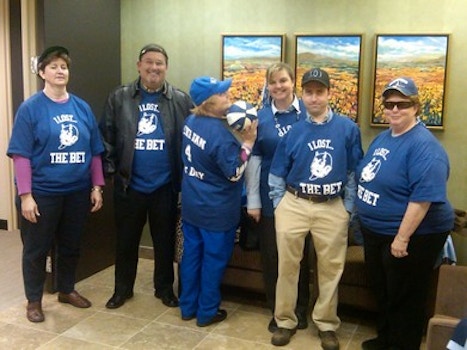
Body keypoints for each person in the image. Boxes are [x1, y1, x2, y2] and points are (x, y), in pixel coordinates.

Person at [7, 46, 105, 323]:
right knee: (36, 250)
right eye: (53, 67)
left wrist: (96, 186)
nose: (60, 71)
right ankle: (34, 301)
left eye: (64, 66)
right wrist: (25, 195)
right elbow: (20, 155)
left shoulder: (81, 107)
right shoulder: (31, 109)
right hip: (43, 194)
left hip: (76, 192)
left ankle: (66, 289)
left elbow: (94, 151)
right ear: (42, 72)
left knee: (71, 246)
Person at [357, 77, 454, 350]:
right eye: (389, 104)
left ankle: (402, 345)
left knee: (405, 297)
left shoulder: (425, 147)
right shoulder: (384, 138)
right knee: (384, 291)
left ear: (416, 107)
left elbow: (422, 199)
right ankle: (386, 339)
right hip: (377, 232)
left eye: (402, 104)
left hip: (413, 235)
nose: (394, 110)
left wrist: (402, 238)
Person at [268, 68, 363, 349]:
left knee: (331, 268)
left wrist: (347, 208)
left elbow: (355, 172)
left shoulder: (348, 129)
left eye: (319, 92)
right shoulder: (295, 130)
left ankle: (326, 323)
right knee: (287, 266)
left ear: (329, 93)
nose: (314, 98)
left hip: (331, 205)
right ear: (303, 95)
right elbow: (277, 172)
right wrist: (279, 204)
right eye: (309, 92)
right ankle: (285, 321)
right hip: (294, 203)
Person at [99, 44, 193, 309]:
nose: (154, 68)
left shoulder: (180, 100)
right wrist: (112, 175)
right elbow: (105, 138)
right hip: (130, 186)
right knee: (126, 242)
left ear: (166, 67)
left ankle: (164, 289)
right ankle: (122, 290)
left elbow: (193, 139)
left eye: (160, 63)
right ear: (139, 66)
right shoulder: (119, 98)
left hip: (165, 186)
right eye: (149, 62)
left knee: (165, 243)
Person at [179, 76, 257, 327]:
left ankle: (187, 306)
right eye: (223, 95)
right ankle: (207, 312)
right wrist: (247, 143)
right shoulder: (220, 137)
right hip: (216, 211)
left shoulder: (191, 121)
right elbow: (234, 173)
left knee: (191, 257)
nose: (229, 97)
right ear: (209, 103)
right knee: (213, 261)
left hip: (192, 206)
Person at [244, 62, 311, 333]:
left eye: (283, 81)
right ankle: (278, 311)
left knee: (300, 259)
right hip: (270, 199)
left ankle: (300, 309)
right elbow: (254, 161)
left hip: (303, 199)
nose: (278, 87)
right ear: (267, 86)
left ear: (292, 82)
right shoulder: (261, 118)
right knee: (272, 259)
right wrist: (253, 201)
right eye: (273, 82)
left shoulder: (309, 114)